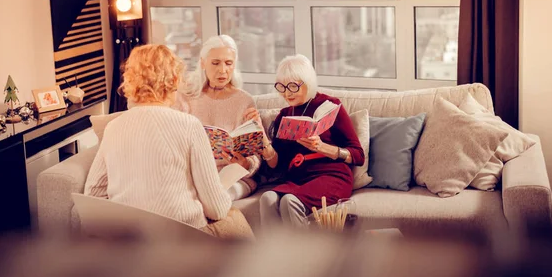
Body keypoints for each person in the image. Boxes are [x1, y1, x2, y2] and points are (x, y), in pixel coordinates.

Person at [84, 44, 253, 239]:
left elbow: (93, 195)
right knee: (234, 223)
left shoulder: (113, 127)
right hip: (183, 238)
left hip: (131, 240)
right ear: (174, 79)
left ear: (130, 81)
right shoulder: (189, 125)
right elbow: (216, 209)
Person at [245, 54, 365, 228]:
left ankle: (304, 253)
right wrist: (261, 134)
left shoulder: (330, 105)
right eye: (282, 87)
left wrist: (323, 148)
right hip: (298, 178)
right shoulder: (284, 115)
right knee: (267, 198)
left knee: (289, 201)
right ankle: (273, 252)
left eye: (293, 86)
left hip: (331, 175)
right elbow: (276, 166)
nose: (287, 93)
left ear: (307, 83)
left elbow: (358, 155)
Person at [175, 35, 261, 201]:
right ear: (202, 63)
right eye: (215, 63)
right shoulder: (187, 96)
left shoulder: (244, 100)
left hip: (233, 179)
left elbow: (256, 155)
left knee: (217, 196)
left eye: (228, 63)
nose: (222, 70)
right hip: (195, 177)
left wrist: (247, 164)